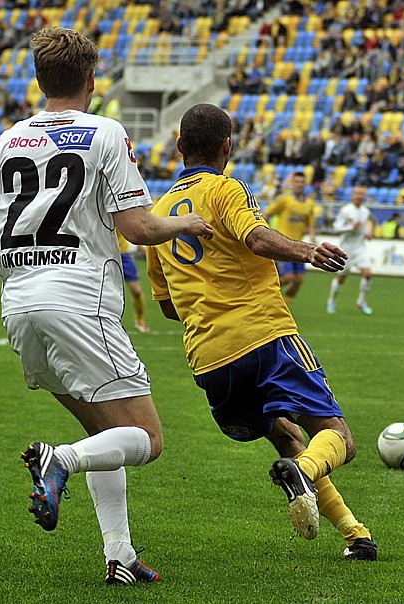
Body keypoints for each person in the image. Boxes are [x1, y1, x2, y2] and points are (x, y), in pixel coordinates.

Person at [0, 27, 214, 585]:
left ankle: (119, 557)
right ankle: (57, 461)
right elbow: (139, 229)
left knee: (105, 435)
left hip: (17, 306)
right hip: (77, 300)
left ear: (40, 81)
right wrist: (185, 221)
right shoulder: (106, 133)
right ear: (93, 81)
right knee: (148, 439)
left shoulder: (7, 141)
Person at [146, 103, 377, 561]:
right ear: (227, 147)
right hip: (264, 337)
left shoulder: (160, 214)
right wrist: (307, 251)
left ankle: (355, 533)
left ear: (178, 146)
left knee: (287, 436)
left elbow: (168, 306)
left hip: (210, 362)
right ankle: (304, 473)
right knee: (339, 439)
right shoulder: (226, 189)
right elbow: (254, 237)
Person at [263, 171, 316, 305]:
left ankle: (284, 305)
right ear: (292, 183)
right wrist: (266, 232)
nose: (299, 184)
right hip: (283, 244)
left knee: (298, 280)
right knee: (288, 277)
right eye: (297, 182)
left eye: (302, 182)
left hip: (298, 245)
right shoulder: (285, 200)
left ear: (305, 184)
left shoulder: (309, 203)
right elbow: (267, 213)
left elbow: (309, 223)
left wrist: (312, 236)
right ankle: (263, 293)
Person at [327, 184, 376, 315]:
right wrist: (350, 227)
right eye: (356, 193)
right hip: (346, 249)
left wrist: (367, 234)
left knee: (368, 273)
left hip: (360, 248)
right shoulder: (346, 210)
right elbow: (337, 228)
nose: (359, 196)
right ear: (352, 195)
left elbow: (363, 228)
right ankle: (331, 301)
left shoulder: (365, 211)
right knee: (341, 278)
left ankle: (361, 302)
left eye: (361, 194)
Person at [117, 230, 150, 333]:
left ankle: (140, 320)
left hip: (123, 254)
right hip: (104, 255)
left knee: (137, 291)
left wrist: (139, 244)